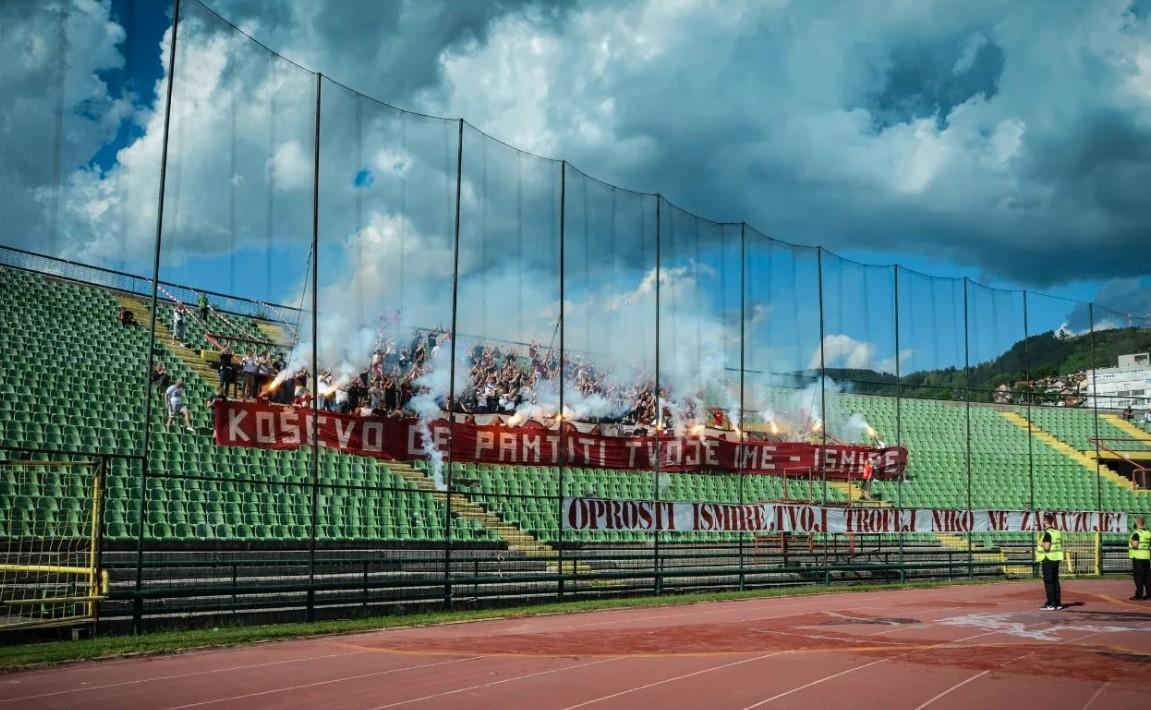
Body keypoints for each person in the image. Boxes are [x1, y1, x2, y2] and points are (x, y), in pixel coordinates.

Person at [1036, 512, 1065, 610]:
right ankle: (1058, 603)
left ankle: (1050, 603)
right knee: (1055, 581)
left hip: (1048, 559)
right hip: (1056, 559)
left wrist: (1040, 543)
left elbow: (1047, 547)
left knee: (1049, 582)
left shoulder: (1048, 533)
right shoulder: (1056, 532)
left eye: (1043, 520)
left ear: (1045, 521)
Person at [1129, 516, 1151, 600]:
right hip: (1146, 557)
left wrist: (1131, 541)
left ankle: (1139, 595)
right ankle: (1149, 594)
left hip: (1138, 558)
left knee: (1138, 578)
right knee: (1147, 578)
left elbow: (1135, 545)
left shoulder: (1136, 533)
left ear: (1137, 523)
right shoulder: (1148, 533)